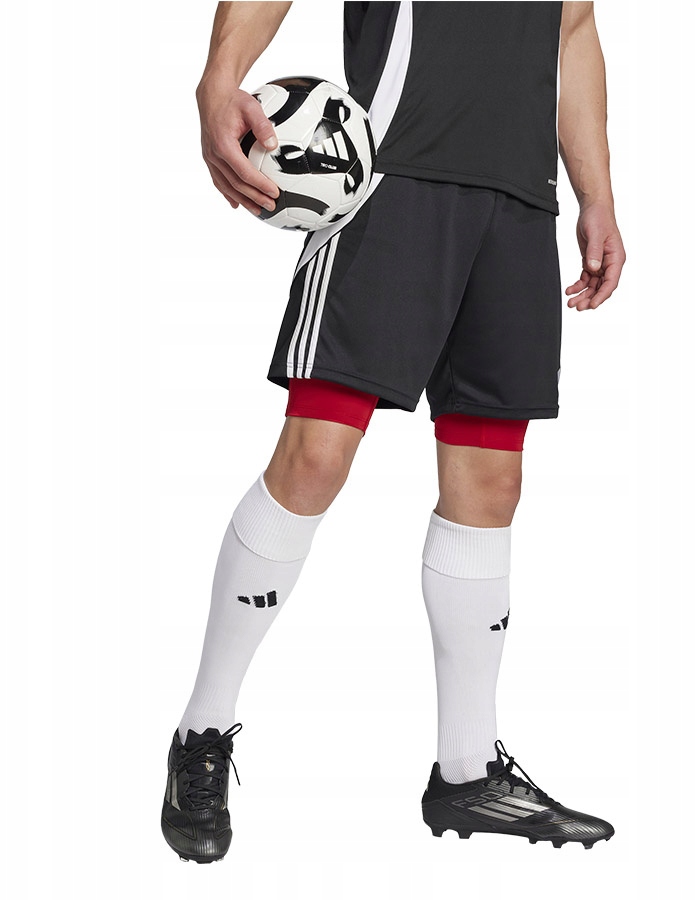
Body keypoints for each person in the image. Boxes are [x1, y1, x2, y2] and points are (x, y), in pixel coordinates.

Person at [162, 0, 625, 863]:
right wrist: (218, 79)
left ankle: (467, 771)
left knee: (492, 483)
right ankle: (202, 731)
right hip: (390, 177)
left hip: (520, 197)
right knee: (315, 457)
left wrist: (596, 194)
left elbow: (573, 27)